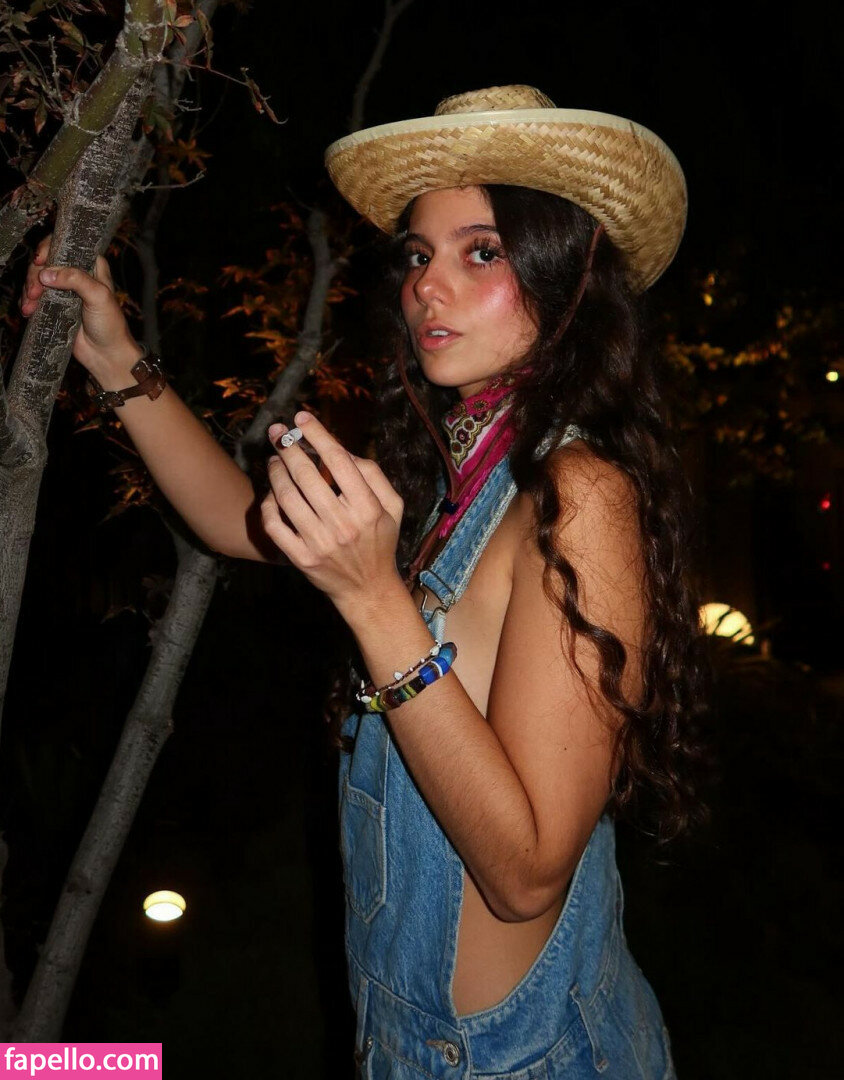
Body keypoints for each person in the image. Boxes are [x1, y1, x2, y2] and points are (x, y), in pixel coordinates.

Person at [20, 84, 709, 1078]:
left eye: (482, 252)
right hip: (399, 1046)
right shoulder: (457, 477)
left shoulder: (580, 494)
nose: (428, 286)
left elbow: (526, 875)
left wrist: (373, 600)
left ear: (567, 274)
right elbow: (235, 518)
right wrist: (118, 359)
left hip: (518, 1059)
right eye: (419, 256)